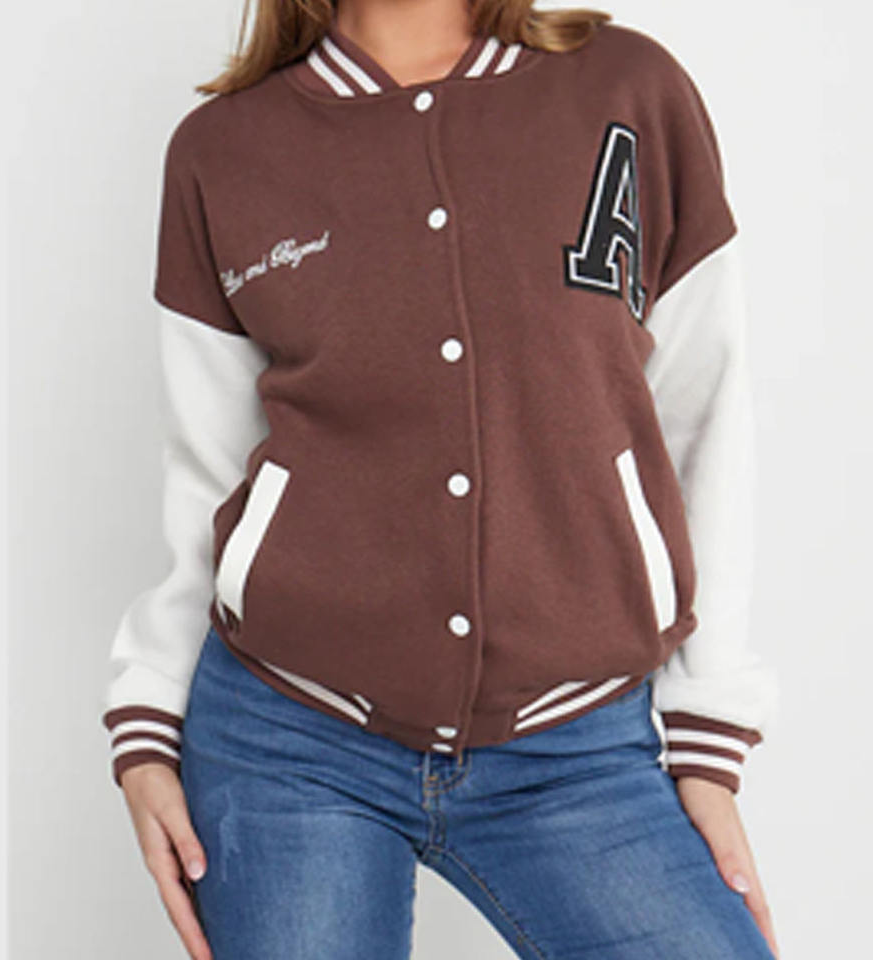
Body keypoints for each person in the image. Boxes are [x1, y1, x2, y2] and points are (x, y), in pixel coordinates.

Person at [99, 1, 783, 957]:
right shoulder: (224, 150)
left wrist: (707, 730)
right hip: (288, 739)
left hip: (580, 745)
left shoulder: (627, 91)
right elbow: (208, 474)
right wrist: (146, 726)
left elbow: (705, 415)